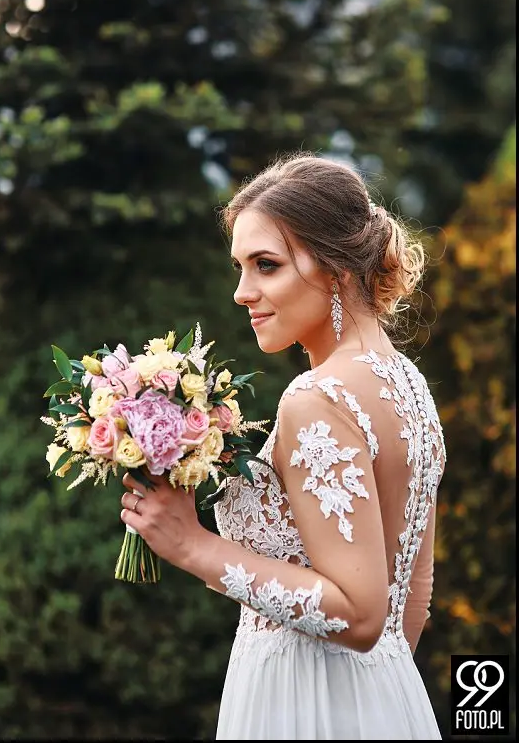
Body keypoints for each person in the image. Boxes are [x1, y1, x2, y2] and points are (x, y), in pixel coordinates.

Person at [117, 153, 445, 739]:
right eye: (240, 267)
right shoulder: (410, 386)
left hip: (299, 704)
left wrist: (192, 546)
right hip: (387, 698)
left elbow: (363, 614)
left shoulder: (316, 397)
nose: (243, 292)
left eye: (266, 266)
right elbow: (410, 603)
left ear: (336, 267)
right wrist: (374, 699)